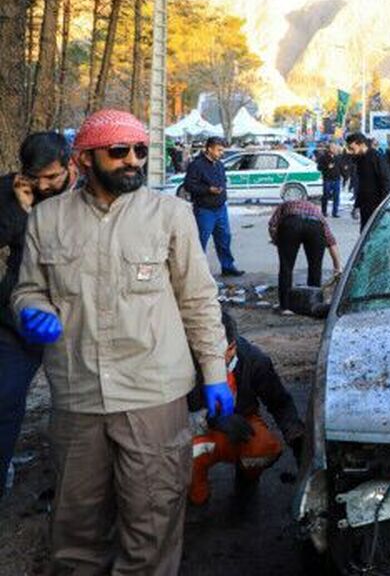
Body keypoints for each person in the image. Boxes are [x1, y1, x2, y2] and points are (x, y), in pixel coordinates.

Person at [11, 109, 232, 573]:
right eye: (119, 151)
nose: (133, 160)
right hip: (78, 398)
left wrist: (215, 373)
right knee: (75, 535)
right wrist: (31, 309)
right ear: (85, 158)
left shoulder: (170, 215)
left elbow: (198, 300)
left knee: (150, 526)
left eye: (139, 151)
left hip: (152, 394)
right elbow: (29, 287)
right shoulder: (47, 220)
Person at [0, 133, 76, 497]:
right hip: (17, 317)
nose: (43, 186)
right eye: (35, 178)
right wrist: (20, 210)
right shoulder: (10, 191)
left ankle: (75, 486)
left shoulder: (89, 195)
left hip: (74, 319)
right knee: (4, 397)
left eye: (52, 178)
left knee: (78, 405)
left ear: (70, 165)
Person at [188, 313, 305, 505]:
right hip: (198, 428)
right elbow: (174, 418)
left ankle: (246, 478)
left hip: (243, 423)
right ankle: (196, 494)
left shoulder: (255, 361)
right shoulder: (185, 364)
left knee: (263, 448)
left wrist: (295, 434)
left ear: (232, 349)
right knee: (184, 453)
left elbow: (279, 402)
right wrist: (214, 420)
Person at [269, 198, 342, 314]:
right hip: (315, 226)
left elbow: (273, 225)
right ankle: (313, 305)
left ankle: (285, 306)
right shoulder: (317, 211)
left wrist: (277, 240)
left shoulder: (284, 205)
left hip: (291, 224)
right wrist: (337, 267)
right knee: (315, 267)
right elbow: (331, 241)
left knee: (286, 268)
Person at [184, 135, 244, 277]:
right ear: (209, 149)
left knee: (224, 238)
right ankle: (197, 271)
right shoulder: (196, 165)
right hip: (204, 210)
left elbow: (222, 180)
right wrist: (208, 190)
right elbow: (189, 185)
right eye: (219, 150)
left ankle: (227, 266)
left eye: (222, 150)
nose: (221, 153)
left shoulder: (219, 165)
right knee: (201, 240)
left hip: (221, 208)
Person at [346, 132, 390, 230]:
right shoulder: (359, 159)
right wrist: (356, 205)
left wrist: (382, 205)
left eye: (353, 148)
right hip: (365, 205)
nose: (352, 152)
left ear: (361, 144)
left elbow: (386, 181)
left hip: (376, 204)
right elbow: (362, 184)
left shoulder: (376, 157)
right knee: (365, 232)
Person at [317, 142, 343, 217]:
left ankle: (335, 212)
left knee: (336, 196)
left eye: (335, 148)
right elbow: (319, 167)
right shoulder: (323, 157)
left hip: (336, 179)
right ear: (329, 149)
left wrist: (344, 174)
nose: (335, 149)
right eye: (333, 148)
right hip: (327, 179)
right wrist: (327, 167)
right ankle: (324, 211)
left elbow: (340, 167)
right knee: (326, 196)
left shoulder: (338, 157)